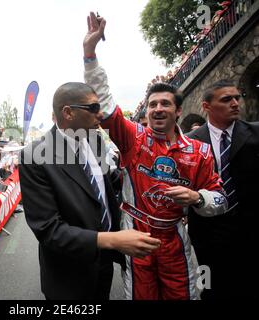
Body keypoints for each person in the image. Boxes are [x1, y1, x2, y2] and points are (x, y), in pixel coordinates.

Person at [82, 12, 227, 300]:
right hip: (135, 236)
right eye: (152, 105)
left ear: (178, 112)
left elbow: (220, 200)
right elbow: (107, 105)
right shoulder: (132, 138)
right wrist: (90, 53)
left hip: (175, 240)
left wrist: (196, 198)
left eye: (164, 104)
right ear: (146, 111)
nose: (157, 109)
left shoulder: (199, 151)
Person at [19, 82, 161, 300]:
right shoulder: (34, 156)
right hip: (68, 275)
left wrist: (149, 177)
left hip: (103, 264)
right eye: (93, 108)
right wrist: (112, 240)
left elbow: (108, 181)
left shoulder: (94, 140)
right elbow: (48, 230)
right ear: (68, 112)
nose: (101, 114)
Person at [187, 79, 259, 299]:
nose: (235, 103)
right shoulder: (189, 143)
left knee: (258, 289)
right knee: (212, 290)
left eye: (237, 97)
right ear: (207, 106)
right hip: (208, 236)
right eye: (226, 99)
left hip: (257, 234)